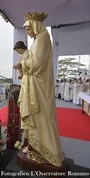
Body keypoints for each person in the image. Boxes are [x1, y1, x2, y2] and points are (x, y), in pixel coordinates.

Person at [17, 12, 64, 167]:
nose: (27, 33)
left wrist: (22, 65)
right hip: (35, 85)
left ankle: (44, 151)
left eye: (28, 29)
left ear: (36, 26)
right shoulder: (38, 40)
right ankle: (34, 148)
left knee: (40, 116)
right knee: (37, 118)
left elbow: (36, 65)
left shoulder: (43, 39)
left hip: (39, 88)